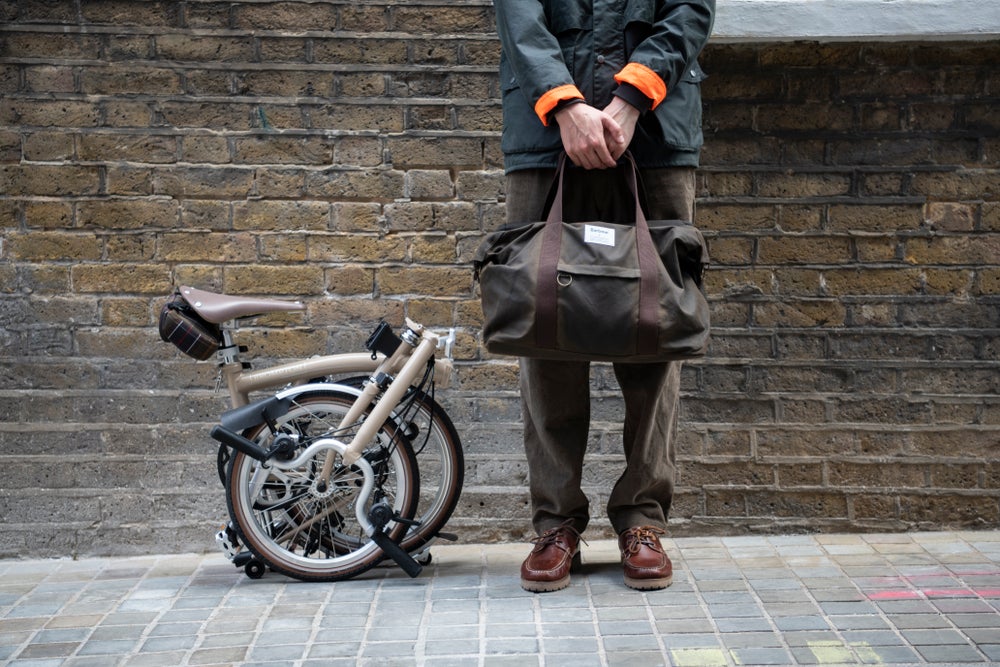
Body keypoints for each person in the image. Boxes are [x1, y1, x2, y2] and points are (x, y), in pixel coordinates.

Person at [492, 0, 716, 592]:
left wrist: (633, 97)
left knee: (656, 331)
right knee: (544, 329)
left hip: (657, 133)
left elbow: (690, 8)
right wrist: (564, 104)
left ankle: (642, 520)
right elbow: (519, 15)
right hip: (544, 135)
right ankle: (556, 523)